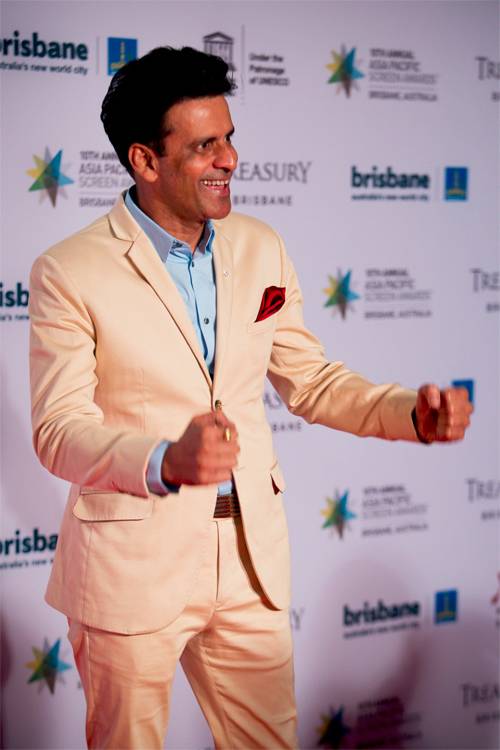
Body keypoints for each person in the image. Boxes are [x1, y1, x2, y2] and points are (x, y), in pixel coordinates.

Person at [29, 46, 472, 750]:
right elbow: (59, 429)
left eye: (229, 138)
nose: (230, 159)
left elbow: (312, 381)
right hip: (130, 567)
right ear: (145, 161)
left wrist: (408, 414)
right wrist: (164, 459)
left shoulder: (262, 246)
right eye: (204, 146)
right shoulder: (69, 270)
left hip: (249, 560)